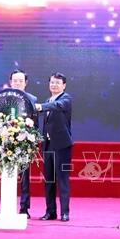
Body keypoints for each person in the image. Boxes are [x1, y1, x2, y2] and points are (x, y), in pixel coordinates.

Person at [35, 72, 73, 222]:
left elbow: (57, 106)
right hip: (48, 145)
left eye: (57, 83)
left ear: (64, 85)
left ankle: (65, 212)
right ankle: (50, 212)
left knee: (62, 180)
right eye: (52, 82)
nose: (54, 85)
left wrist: (41, 107)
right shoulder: (48, 100)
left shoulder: (66, 99)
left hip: (62, 146)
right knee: (49, 180)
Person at [8, 69, 38, 218]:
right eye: (15, 80)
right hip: (6, 141)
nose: (18, 83)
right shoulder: (3, 97)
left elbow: (35, 122)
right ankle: (6, 206)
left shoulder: (32, 99)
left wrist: (33, 141)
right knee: (7, 174)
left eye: (21, 81)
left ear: (26, 83)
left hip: (25, 142)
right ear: (10, 82)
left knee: (25, 177)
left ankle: (24, 208)